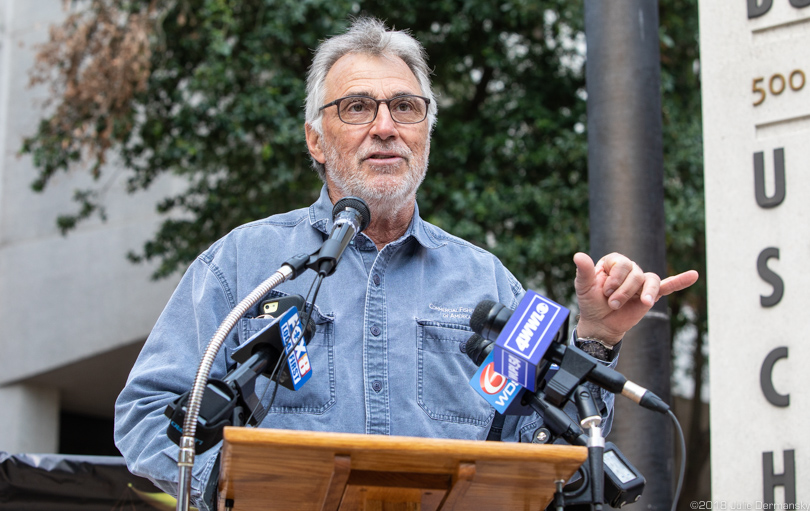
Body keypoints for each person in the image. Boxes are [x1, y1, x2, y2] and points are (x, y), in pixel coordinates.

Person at [114, 17, 697, 510]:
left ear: (426, 133)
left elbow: (545, 449)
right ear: (317, 140)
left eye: (405, 107)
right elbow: (145, 414)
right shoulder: (245, 264)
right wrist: (243, 486)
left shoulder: (486, 281)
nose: (385, 127)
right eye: (357, 107)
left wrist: (594, 337)